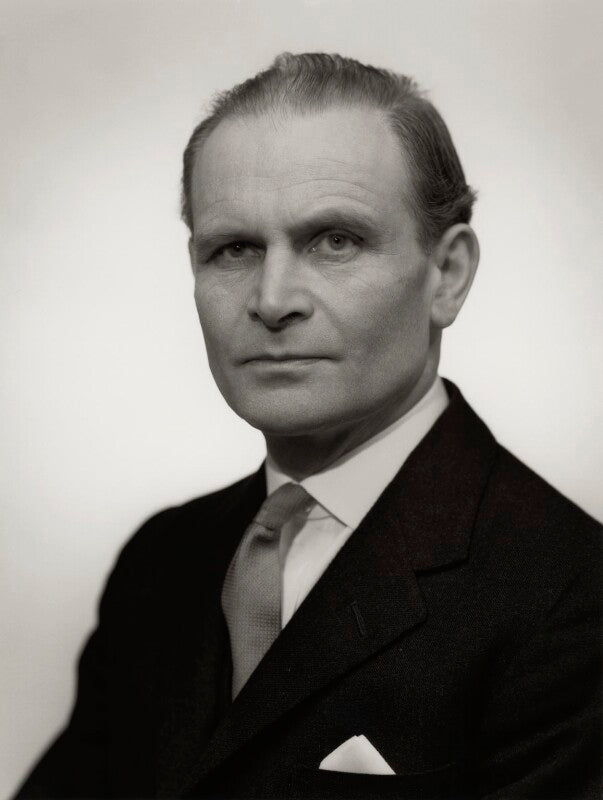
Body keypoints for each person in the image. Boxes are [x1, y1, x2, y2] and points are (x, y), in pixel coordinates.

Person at [15, 52, 600, 800]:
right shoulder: (160, 562)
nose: (271, 299)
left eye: (335, 241)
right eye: (234, 249)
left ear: (447, 274)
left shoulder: (571, 596)